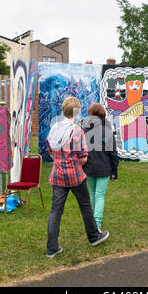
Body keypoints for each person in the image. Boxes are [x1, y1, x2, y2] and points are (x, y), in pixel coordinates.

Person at [46, 97, 109, 258]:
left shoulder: (54, 129)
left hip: (58, 175)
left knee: (56, 211)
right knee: (85, 205)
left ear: (62, 110)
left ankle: (52, 248)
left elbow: (51, 152)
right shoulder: (76, 131)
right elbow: (83, 156)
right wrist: (75, 162)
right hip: (74, 175)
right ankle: (94, 236)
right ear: (77, 112)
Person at [82, 103, 119, 231]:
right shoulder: (106, 129)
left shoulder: (85, 128)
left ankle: (94, 223)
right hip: (103, 167)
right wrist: (114, 171)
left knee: (94, 194)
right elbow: (113, 152)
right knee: (99, 195)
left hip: (90, 167)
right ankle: (96, 225)